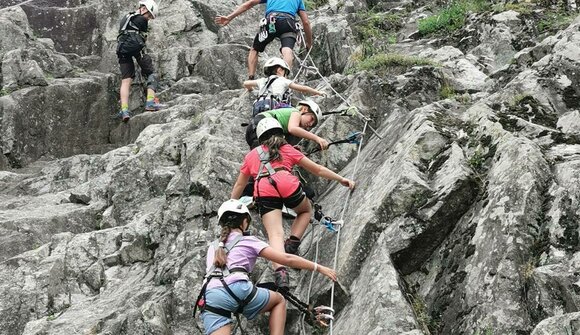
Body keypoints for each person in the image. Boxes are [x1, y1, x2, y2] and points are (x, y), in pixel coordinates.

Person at [231, 118, 355, 288]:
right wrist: (341, 179)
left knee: (275, 234)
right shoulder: (286, 149)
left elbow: (240, 184)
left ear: (259, 137)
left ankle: (281, 272)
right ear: (280, 133)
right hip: (286, 182)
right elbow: (317, 169)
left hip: (263, 188)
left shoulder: (251, 155)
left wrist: (231, 204)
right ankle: (292, 244)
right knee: (305, 211)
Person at [199, 199, 337, 335]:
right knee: (278, 301)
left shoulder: (213, 247)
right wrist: (319, 267)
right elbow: (286, 258)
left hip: (211, 295)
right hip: (239, 288)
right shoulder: (248, 241)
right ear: (244, 221)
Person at [214, 0, 312, 79]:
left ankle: (251, 78)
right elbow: (306, 22)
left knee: (255, 49)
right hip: (288, 23)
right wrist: (309, 43)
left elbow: (249, 3)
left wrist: (229, 17)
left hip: (271, 21)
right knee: (287, 50)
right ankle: (284, 80)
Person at [116, 0, 163, 122]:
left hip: (121, 49)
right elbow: (142, 38)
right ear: (144, 9)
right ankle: (150, 102)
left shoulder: (126, 17)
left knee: (126, 80)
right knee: (152, 73)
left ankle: (124, 110)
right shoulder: (142, 20)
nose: (148, 19)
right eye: (149, 16)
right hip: (136, 47)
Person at [244, 57, 324, 116]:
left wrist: (251, 89)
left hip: (257, 104)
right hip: (272, 104)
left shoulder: (262, 80)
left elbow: (246, 83)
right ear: (280, 70)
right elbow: (304, 89)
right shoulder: (283, 80)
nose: (285, 76)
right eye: (285, 73)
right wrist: (318, 92)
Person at [245, 100, 328, 150]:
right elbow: (292, 129)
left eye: (312, 125)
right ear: (304, 109)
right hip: (263, 124)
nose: (310, 124)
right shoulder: (296, 112)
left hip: (254, 130)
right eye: (311, 119)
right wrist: (317, 138)